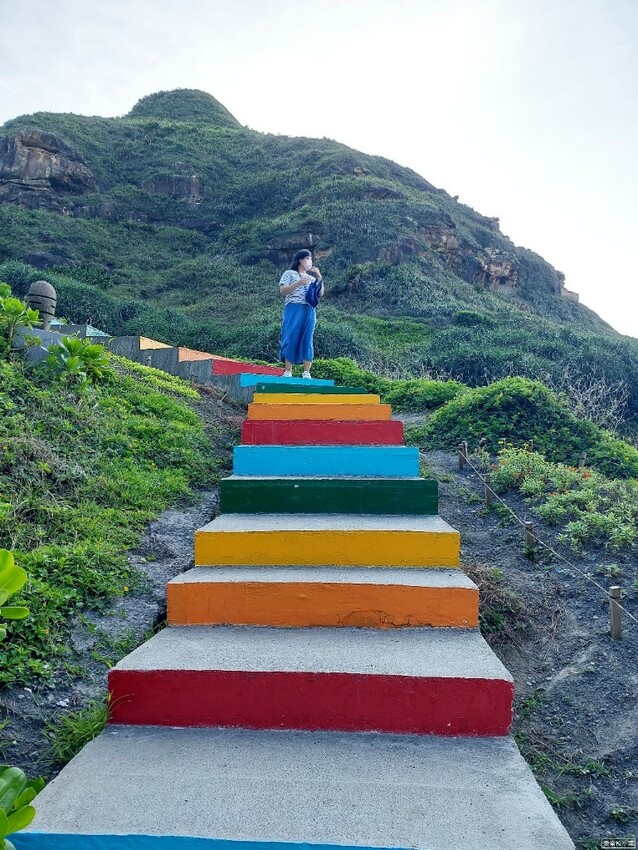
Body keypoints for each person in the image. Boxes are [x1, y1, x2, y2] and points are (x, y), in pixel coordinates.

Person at [279, 249, 324, 378]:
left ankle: (306, 371)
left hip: (309, 309)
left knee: (307, 337)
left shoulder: (311, 278)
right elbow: (283, 291)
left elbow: (320, 294)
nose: (310, 262)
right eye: (308, 259)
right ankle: (288, 370)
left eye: (310, 259)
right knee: (290, 335)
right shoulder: (289, 273)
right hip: (293, 307)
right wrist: (298, 283)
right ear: (301, 260)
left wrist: (319, 277)